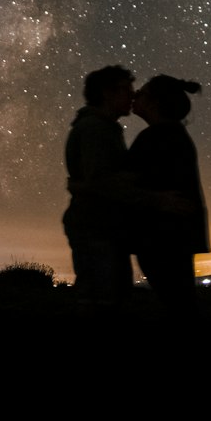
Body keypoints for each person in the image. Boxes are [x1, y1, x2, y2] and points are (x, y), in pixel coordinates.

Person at [127, 75, 210, 316]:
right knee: (182, 302)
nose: (134, 95)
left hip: (162, 238)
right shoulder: (173, 134)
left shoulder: (154, 138)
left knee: (178, 304)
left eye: (140, 92)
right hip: (177, 235)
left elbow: (127, 183)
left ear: (154, 102)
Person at [62, 64, 135, 306]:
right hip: (96, 227)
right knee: (102, 299)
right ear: (107, 93)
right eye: (126, 89)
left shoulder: (103, 127)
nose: (132, 95)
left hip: (100, 226)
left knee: (104, 296)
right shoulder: (95, 128)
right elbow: (102, 182)